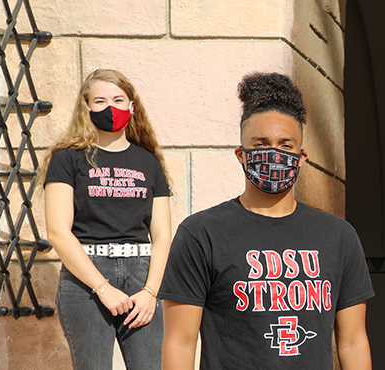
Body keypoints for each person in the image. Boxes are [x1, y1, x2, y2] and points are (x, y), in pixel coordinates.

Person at [159, 72, 374, 370]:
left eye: (286, 145)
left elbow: (353, 341)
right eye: (260, 144)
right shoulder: (201, 234)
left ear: (301, 157)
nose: (273, 153)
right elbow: (180, 342)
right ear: (241, 155)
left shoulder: (339, 236)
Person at [42, 69, 172, 370]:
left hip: (142, 276)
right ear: (86, 107)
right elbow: (58, 232)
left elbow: (163, 235)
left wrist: (150, 293)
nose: (110, 108)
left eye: (118, 99)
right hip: (86, 278)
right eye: (99, 101)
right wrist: (103, 288)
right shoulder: (67, 158)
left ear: (132, 106)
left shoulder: (148, 161)